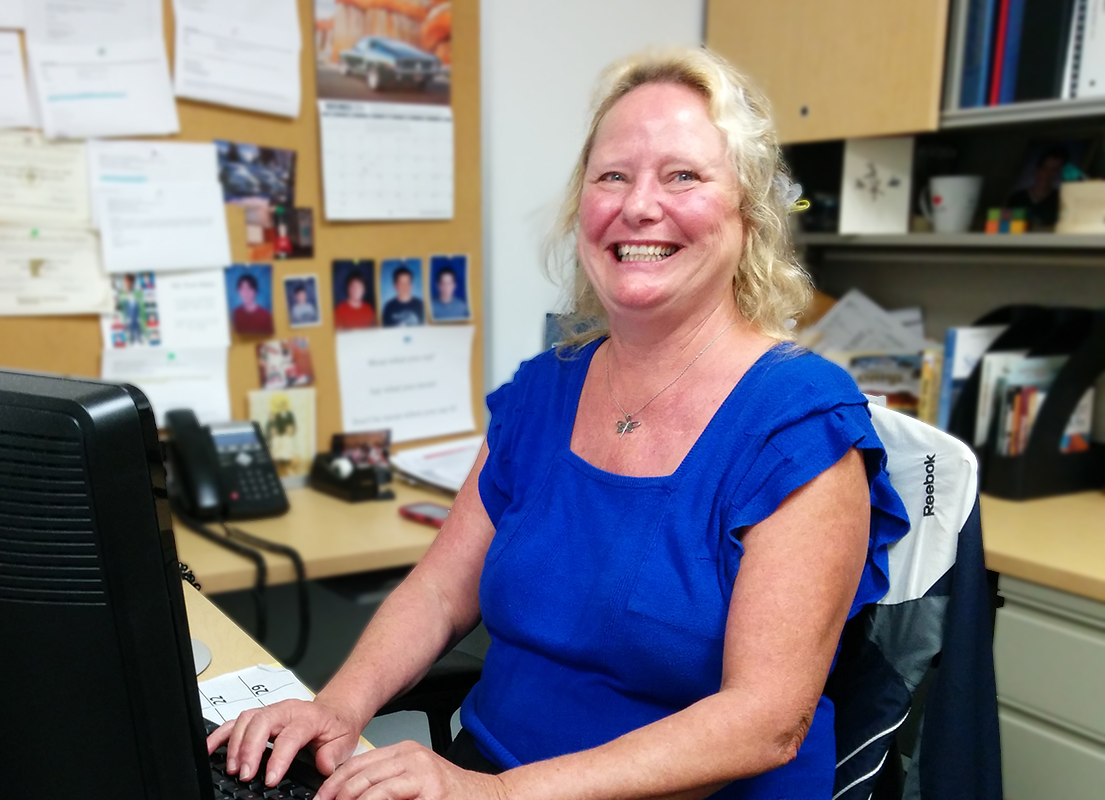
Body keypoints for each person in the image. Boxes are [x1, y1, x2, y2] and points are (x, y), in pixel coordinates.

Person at [209, 47, 908, 800]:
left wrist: (500, 794)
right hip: (491, 769)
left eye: (683, 175)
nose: (639, 205)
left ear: (749, 211)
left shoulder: (799, 424)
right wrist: (336, 708)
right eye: (613, 175)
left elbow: (765, 720)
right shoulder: (544, 392)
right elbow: (442, 592)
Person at [1006, 145, 1068, 230]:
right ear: (1038, 169)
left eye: (1054, 170)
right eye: (1045, 168)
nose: (1048, 174)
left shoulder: (1060, 200)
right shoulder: (1016, 198)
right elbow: (1005, 231)